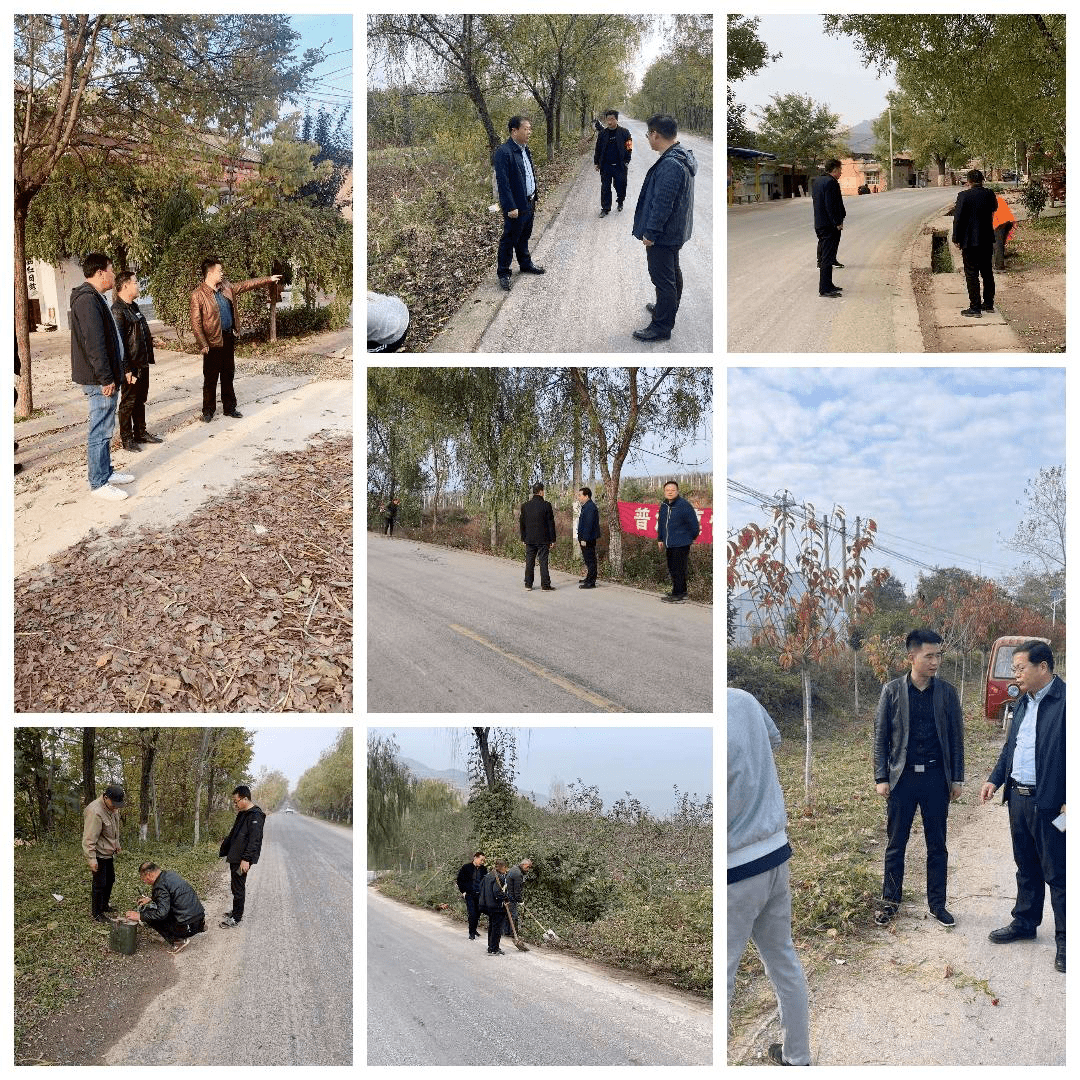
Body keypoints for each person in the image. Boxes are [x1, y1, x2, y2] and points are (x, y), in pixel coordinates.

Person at [727, 687, 810, 1067]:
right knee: (783, 960)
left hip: (737, 868)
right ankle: (797, 1057)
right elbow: (774, 740)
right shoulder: (742, 699)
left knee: (723, 976)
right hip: (776, 853)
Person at [980, 640, 1065, 973]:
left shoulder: (1066, 702)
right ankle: (1025, 922)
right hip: (1019, 798)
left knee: (1059, 873)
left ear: (1042, 667)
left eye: (1020, 668)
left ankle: (1066, 941)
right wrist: (994, 779)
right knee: (1026, 865)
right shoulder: (1024, 702)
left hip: (1053, 805)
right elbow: (1010, 747)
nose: (1015, 674)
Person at [873, 629, 965, 926]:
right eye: (929, 655)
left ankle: (937, 904)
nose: (935, 661)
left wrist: (957, 778)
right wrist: (881, 777)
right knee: (895, 843)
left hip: (937, 779)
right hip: (902, 779)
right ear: (911, 657)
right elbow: (880, 737)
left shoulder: (947, 693)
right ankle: (890, 902)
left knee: (937, 845)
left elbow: (956, 738)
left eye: (938, 655)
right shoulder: (892, 691)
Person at [70, 253, 135, 501]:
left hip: (104, 376)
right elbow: (94, 344)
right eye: (110, 269)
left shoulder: (95, 297)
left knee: (106, 426)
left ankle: (106, 472)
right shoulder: (87, 300)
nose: (112, 274)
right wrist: (106, 378)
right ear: (99, 273)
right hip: (99, 379)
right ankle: (98, 482)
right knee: (100, 429)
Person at [631, 115, 696, 342]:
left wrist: (651, 233)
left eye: (648, 134)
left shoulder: (670, 163)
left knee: (663, 279)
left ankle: (661, 327)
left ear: (655, 134)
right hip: (676, 230)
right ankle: (666, 308)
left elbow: (663, 204)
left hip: (665, 234)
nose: (648, 138)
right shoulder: (681, 155)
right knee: (671, 272)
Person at [189, 258, 280, 422]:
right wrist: (203, 344)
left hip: (228, 337)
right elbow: (196, 323)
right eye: (219, 271)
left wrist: (268, 279)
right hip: (211, 342)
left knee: (228, 375)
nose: (222, 273)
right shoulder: (198, 295)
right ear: (210, 273)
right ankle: (208, 411)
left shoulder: (226, 287)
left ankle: (229, 408)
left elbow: (246, 285)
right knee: (210, 378)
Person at [493, 116, 545, 291]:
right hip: (516, 206)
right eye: (526, 128)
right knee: (509, 239)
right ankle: (504, 273)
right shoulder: (504, 152)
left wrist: (535, 195)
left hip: (529, 201)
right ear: (514, 131)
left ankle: (525, 264)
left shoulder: (524, 149)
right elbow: (503, 183)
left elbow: (528, 174)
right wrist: (510, 206)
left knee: (524, 236)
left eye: (530, 128)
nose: (529, 132)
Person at [111, 271, 161, 452]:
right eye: (135, 282)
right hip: (131, 366)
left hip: (142, 362)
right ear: (125, 286)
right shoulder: (117, 310)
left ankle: (140, 432)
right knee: (128, 402)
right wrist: (126, 369)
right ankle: (127, 439)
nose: (138, 285)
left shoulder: (134, 307)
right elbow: (120, 344)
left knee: (140, 400)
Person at [126, 861, 207, 954]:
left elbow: (161, 914)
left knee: (149, 913)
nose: (144, 881)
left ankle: (178, 940)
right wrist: (151, 898)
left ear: (148, 875)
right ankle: (197, 928)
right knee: (157, 911)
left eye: (143, 878)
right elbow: (172, 892)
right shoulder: (169, 874)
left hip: (188, 927)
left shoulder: (159, 887)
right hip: (199, 919)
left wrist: (140, 916)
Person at [951, 168, 998, 317]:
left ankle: (975, 308)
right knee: (987, 272)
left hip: (969, 241)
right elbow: (994, 208)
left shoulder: (963, 196)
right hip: (986, 240)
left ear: (969, 181)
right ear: (982, 180)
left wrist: (956, 238)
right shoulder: (989, 194)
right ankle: (989, 304)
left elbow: (957, 219)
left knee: (971, 274)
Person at [218, 785, 265, 929]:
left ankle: (236, 918)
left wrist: (246, 859)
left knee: (238, 887)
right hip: (235, 856)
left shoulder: (255, 815)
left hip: (242, 859)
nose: (235, 804)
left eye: (236, 801)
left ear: (245, 798)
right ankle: (235, 911)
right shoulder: (243, 813)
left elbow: (254, 840)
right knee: (235, 886)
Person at [83, 784, 126, 922]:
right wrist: (91, 859)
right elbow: (89, 839)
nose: (116, 807)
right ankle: (97, 913)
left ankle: (104, 905)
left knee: (110, 880)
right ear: (106, 797)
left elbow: (114, 829)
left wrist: (117, 844)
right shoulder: (95, 812)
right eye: (114, 804)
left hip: (108, 851)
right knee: (99, 884)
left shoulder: (113, 808)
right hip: (99, 853)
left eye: (118, 804)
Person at [656, 480, 700, 602]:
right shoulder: (664, 505)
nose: (670, 492)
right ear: (664, 492)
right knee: (672, 568)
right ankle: (680, 592)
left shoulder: (684, 505)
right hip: (669, 543)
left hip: (681, 543)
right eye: (667, 490)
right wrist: (660, 538)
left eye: (672, 490)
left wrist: (688, 539)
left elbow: (694, 526)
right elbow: (661, 523)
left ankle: (678, 594)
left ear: (677, 491)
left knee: (679, 569)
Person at [811, 159, 846, 298]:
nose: (841, 173)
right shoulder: (831, 183)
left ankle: (829, 284)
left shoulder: (818, 181)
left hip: (820, 223)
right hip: (829, 225)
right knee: (827, 257)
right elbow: (830, 205)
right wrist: (837, 222)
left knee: (828, 256)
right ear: (835, 169)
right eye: (840, 170)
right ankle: (824, 288)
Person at [594, 109, 633, 217]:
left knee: (620, 186)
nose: (610, 122)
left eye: (612, 119)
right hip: (606, 165)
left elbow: (629, 147)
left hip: (620, 165)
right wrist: (596, 162)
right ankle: (605, 208)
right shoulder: (602, 134)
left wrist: (627, 161)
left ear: (616, 119)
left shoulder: (625, 132)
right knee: (605, 187)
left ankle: (620, 201)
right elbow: (598, 149)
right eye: (608, 119)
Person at [520, 482, 556, 591]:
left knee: (529, 562)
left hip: (529, 539)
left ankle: (528, 584)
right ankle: (545, 585)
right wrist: (552, 539)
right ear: (541, 491)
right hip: (543, 539)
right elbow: (551, 524)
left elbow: (522, 523)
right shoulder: (546, 505)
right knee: (543, 562)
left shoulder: (525, 506)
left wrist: (523, 538)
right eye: (543, 490)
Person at [479, 858, 511, 955]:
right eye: (506, 868)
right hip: (496, 906)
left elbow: (481, 887)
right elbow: (497, 892)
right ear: (503, 867)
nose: (506, 870)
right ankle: (494, 949)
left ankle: (491, 947)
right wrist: (506, 898)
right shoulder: (499, 877)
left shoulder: (488, 875)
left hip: (487, 905)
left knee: (492, 927)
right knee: (497, 928)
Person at [456, 851, 487, 940]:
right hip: (469, 894)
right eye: (481, 860)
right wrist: (463, 892)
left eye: (483, 860)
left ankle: (474, 929)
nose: (482, 862)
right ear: (475, 858)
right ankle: (471, 933)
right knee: (472, 913)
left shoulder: (484, 869)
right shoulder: (466, 867)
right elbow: (459, 880)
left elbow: (485, 882)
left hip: (480, 895)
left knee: (478, 913)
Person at [576, 487, 600, 589]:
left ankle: (591, 582)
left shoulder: (590, 507)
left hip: (588, 539)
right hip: (585, 538)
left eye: (580, 495)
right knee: (588, 560)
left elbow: (588, 525)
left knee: (590, 560)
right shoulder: (586, 506)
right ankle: (589, 578)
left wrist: (584, 539)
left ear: (586, 496)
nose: (579, 497)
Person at [504, 858, 533, 936]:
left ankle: (506, 932)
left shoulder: (514, 868)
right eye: (527, 867)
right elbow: (517, 890)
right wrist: (520, 901)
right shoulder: (518, 874)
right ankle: (513, 933)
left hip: (507, 895)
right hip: (511, 896)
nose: (528, 869)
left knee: (508, 914)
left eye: (529, 867)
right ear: (523, 865)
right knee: (514, 915)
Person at [992, 193, 1017, 271]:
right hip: (1009, 220)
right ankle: (998, 262)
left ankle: (999, 266)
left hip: (1000, 221)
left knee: (997, 243)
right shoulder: (995, 197)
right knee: (1000, 242)